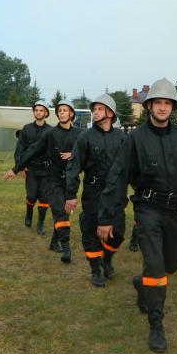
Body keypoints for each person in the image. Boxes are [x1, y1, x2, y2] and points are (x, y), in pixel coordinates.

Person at [97, 78, 177, 353]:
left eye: (167, 103)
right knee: (156, 267)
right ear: (148, 106)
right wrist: (106, 217)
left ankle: (143, 284)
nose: (162, 108)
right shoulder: (135, 139)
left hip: (175, 210)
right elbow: (117, 178)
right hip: (147, 209)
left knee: (171, 265)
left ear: (173, 107)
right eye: (157, 102)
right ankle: (156, 325)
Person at [65, 94, 127, 287]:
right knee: (91, 231)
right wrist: (70, 195)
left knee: (118, 233)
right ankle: (95, 271)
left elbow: (131, 167)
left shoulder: (122, 138)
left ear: (110, 113)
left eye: (100, 109)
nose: (95, 112)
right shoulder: (85, 137)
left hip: (116, 193)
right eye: (94, 109)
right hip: (93, 192)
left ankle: (107, 260)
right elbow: (73, 166)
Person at [6, 98, 78, 262]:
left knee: (65, 211)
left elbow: (86, 152)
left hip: (70, 180)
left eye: (65, 110)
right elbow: (32, 151)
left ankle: (53, 242)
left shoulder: (79, 134)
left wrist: (73, 154)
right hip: (51, 179)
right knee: (59, 211)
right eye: (60, 111)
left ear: (71, 114)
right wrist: (16, 168)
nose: (62, 113)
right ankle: (66, 248)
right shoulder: (50, 134)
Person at [14, 100, 52, 234]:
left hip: (46, 170)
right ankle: (29, 213)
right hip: (31, 169)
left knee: (44, 198)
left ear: (46, 113)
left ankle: (40, 224)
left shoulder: (51, 131)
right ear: (34, 112)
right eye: (36, 110)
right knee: (31, 196)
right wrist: (20, 166)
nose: (38, 112)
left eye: (41, 110)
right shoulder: (27, 129)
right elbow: (20, 149)